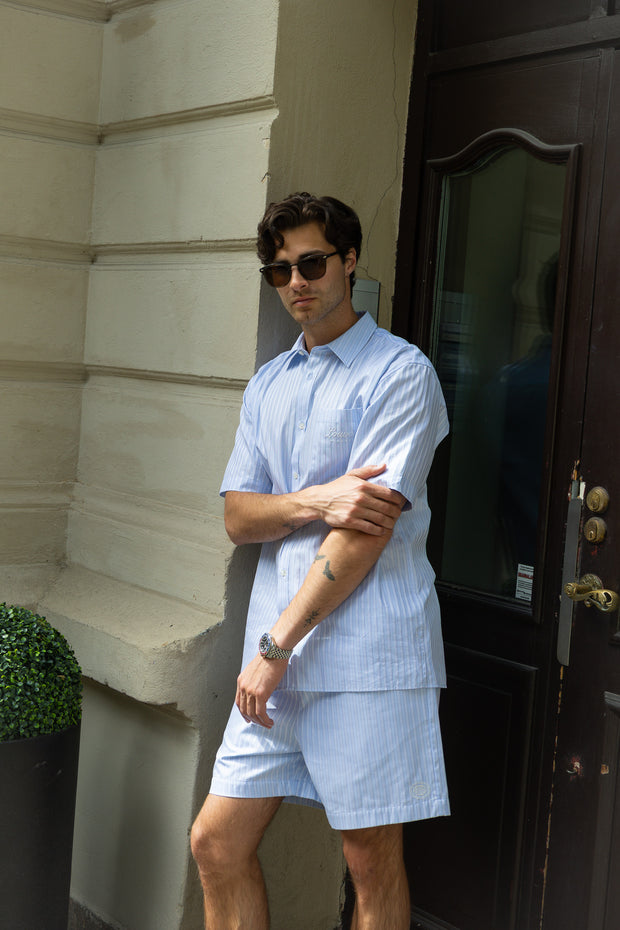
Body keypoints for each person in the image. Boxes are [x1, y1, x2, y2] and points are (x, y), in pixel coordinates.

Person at [191, 192, 450, 930]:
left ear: (349, 260)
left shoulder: (400, 373)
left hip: (363, 655)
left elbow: (364, 533)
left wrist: (274, 648)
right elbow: (239, 517)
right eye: (280, 271)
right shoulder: (270, 382)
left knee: (369, 859)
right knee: (216, 843)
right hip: (275, 668)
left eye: (311, 264)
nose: (296, 283)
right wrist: (316, 499)